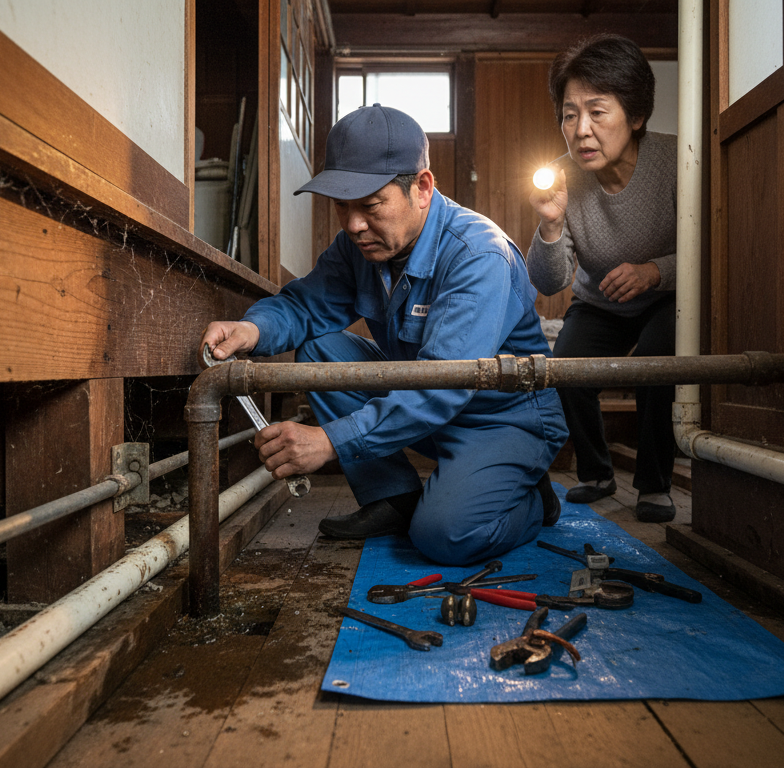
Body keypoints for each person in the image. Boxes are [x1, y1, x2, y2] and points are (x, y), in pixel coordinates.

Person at [201, 104, 568, 566]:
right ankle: (392, 497)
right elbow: (305, 305)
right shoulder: (361, 247)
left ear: (423, 188)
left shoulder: (478, 254)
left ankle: (535, 501)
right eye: (342, 206)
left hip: (503, 419)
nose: (354, 225)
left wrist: (329, 442)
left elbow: (440, 385)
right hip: (427, 404)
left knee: (445, 536)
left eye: (371, 205)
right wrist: (251, 329)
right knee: (320, 349)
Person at [525, 34, 679, 522]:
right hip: (599, 303)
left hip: (669, 297)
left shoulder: (678, 160)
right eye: (570, 115)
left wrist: (655, 271)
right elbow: (550, 282)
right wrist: (551, 224)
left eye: (597, 112)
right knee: (566, 367)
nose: (581, 130)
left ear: (636, 116)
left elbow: (715, 248)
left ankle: (654, 484)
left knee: (657, 362)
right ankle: (596, 473)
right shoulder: (561, 178)